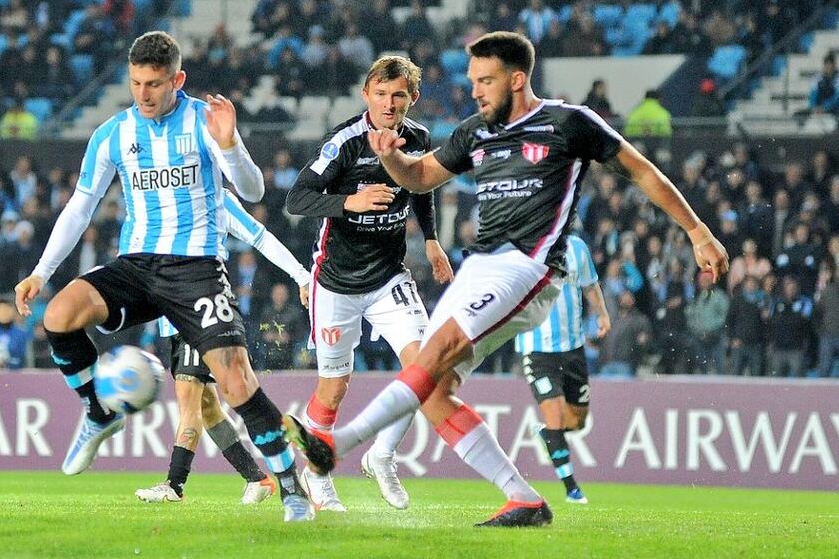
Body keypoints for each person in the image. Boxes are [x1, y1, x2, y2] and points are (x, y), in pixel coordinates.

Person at [283, 31, 729, 527]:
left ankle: (335, 444)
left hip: (530, 266)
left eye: (485, 81)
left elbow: (643, 172)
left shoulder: (568, 124)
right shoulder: (475, 131)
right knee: (432, 392)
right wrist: (390, 160)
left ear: (517, 80)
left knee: (430, 355)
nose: (475, 90)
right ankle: (523, 499)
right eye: (473, 80)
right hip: (478, 267)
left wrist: (697, 230)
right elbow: (422, 177)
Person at [13, 31, 314, 522]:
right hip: (137, 264)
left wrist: (231, 145)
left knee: (234, 382)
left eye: (154, 84)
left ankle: (290, 487)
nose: (144, 94)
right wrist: (41, 272)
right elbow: (80, 206)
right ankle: (97, 412)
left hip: (194, 269)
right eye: (135, 83)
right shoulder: (113, 133)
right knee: (61, 314)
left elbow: (254, 190)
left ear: (178, 79)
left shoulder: (204, 121)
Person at [285, 55, 453, 511]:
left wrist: (433, 240)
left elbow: (421, 187)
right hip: (336, 282)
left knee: (425, 369)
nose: (389, 103)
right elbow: (297, 198)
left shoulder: (417, 137)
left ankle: (382, 456)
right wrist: (351, 201)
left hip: (388, 277)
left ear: (411, 98)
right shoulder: (343, 142)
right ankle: (315, 474)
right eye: (380, 94)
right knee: (333, 389)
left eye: (398, 95)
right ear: (366, 96)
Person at [135, 191, 311, 505]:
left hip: (199, 313)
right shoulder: (155, 196)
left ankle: (174, 484)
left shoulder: (214, 195)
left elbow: (261, 237)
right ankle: (257, 478)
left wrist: (300, 275)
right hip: (171, 319)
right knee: (208, 407)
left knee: (190, 400)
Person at [516, 233, 610, 506]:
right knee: (555, 416)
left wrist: (602, 314)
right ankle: (572, 489)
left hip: (572, 347)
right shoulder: (524, 245)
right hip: (537, 348)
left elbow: (590, 285)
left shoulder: (577, 246)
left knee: (577, 421)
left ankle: (548, 435)